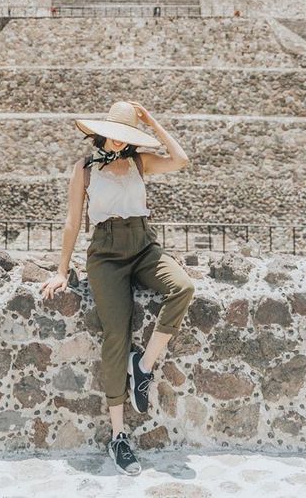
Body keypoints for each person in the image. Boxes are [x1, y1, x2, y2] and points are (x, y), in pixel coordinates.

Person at [41, 100, 194, 476]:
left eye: (124, 136)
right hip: (106, 256)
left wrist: (151, 121)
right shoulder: (85, 169)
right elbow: (73, 222)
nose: (115, 141)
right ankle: (119, 435)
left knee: (183, 287)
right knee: (116, 335)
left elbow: (181, 159)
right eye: (112, 134)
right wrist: (62, 270)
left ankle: (142, 366)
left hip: (144, 247)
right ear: (101, 132)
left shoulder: (141, 161)